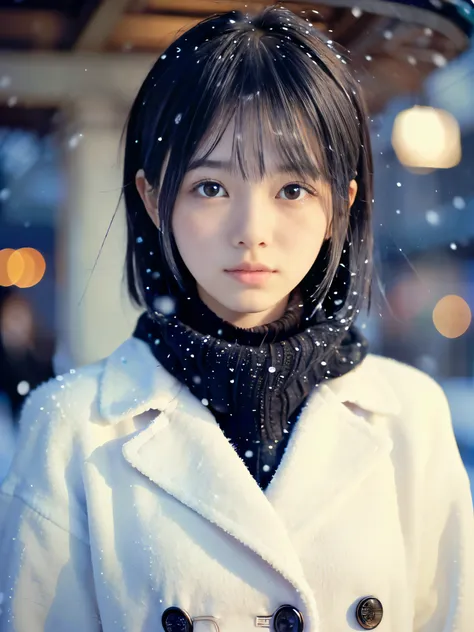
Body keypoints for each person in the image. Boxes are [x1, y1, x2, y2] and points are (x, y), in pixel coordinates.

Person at [0, 6, 472, 631]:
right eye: (211, 188)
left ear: (341, 203)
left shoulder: (411, 414)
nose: (252, 232)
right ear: (152, 199)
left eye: (292, 190)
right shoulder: (71, 428)